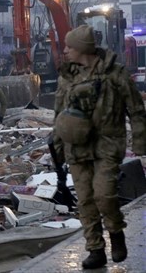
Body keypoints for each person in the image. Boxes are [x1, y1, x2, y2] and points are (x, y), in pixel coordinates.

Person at [53, 25, 146, 269]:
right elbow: (59, 113)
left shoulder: (115, 74)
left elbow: (136, 110)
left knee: (104, 195)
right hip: (76, 147)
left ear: (82, 48)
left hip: (107, 143)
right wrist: (57, 145)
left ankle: (116, 233)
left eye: (69, 46)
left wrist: (140, 143)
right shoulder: (67, 76)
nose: (65, 51)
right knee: (84, 200)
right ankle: (95, 249)